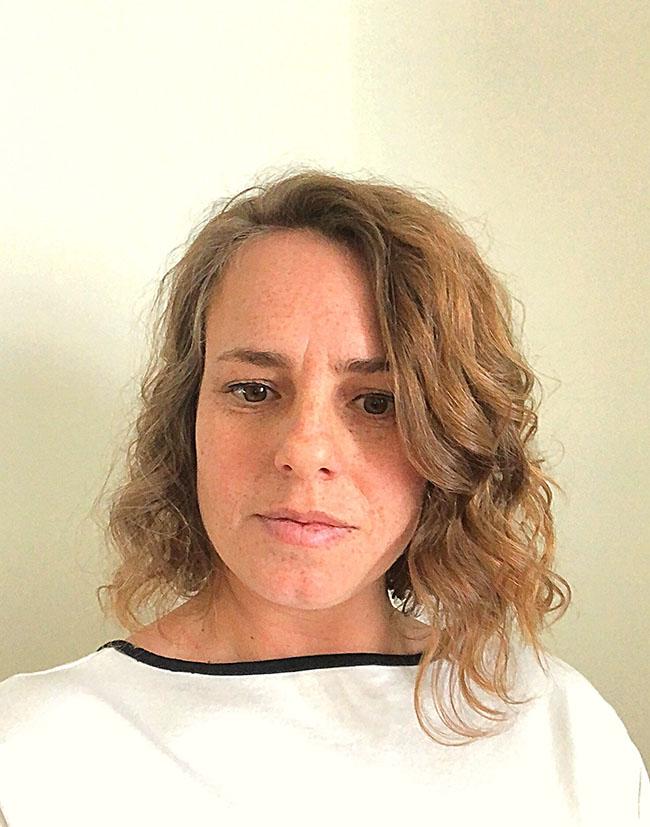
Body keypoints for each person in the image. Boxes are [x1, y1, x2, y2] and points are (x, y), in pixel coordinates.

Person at [0, 170, 647, 825]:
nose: (305, 450)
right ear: (186, 419)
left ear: (454, 441)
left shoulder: (559, 729)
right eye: (253, 390)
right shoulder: (33, 753)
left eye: (377, 402)